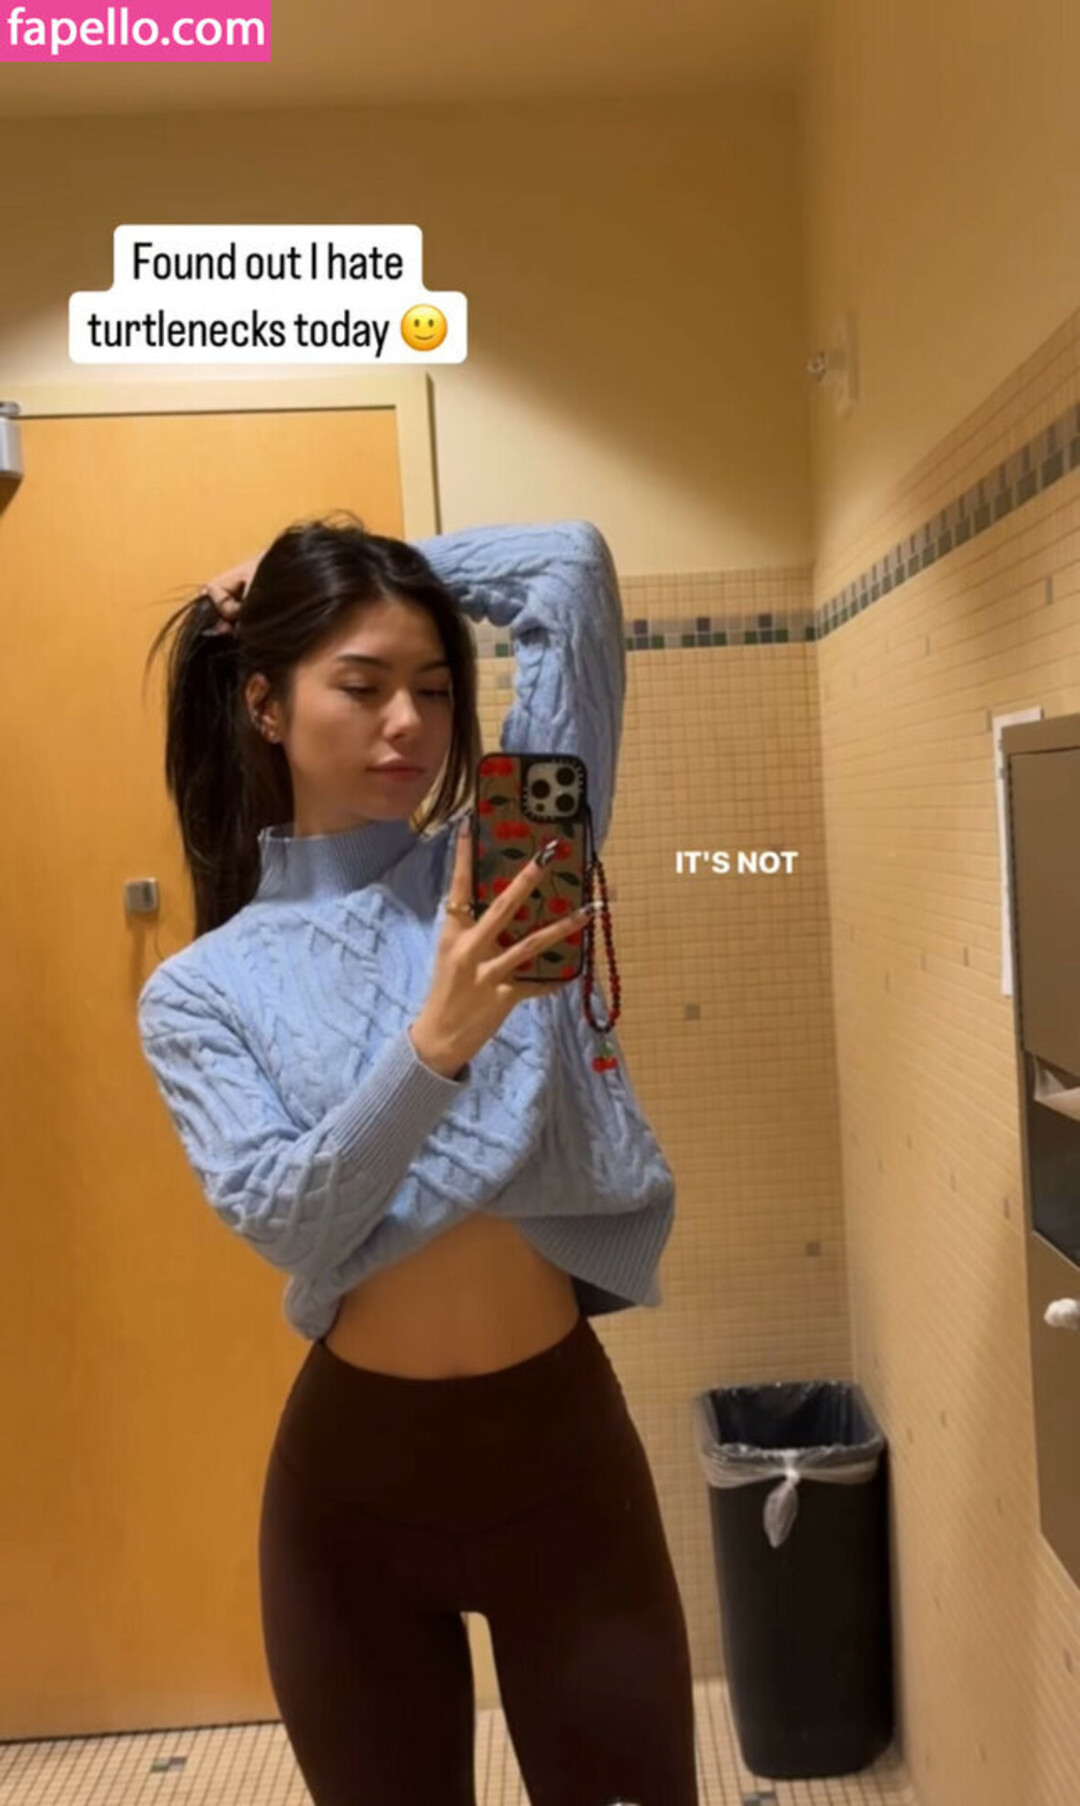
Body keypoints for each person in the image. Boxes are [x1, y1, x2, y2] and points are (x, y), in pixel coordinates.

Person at [137, 511, 698, 1806]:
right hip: (352, 1506)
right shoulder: (202, 988)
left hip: (564, 1462)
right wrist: (434, 1044)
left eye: (434, 687)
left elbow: (569, 568)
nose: (409, 722)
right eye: (361, 683)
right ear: (266, 705)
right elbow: (285, 1218)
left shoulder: (511, 859)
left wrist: (337, 582)